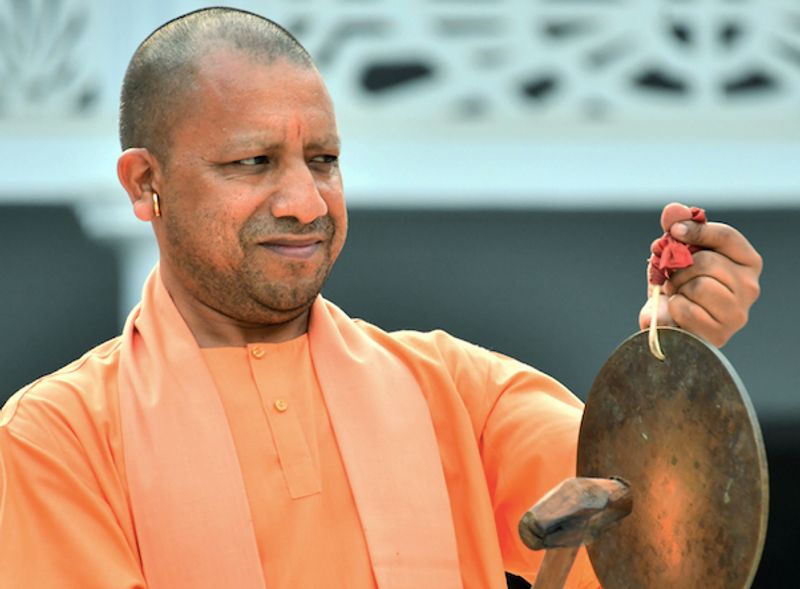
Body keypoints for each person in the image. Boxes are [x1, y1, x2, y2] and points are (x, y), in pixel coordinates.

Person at [0, 8, 762, 589]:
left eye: (323, 159)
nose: (305, 201)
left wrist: (675, 363)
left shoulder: (457, 391)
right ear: (146, 183)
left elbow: (658, 527)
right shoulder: (58, 437)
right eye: (254, 161)